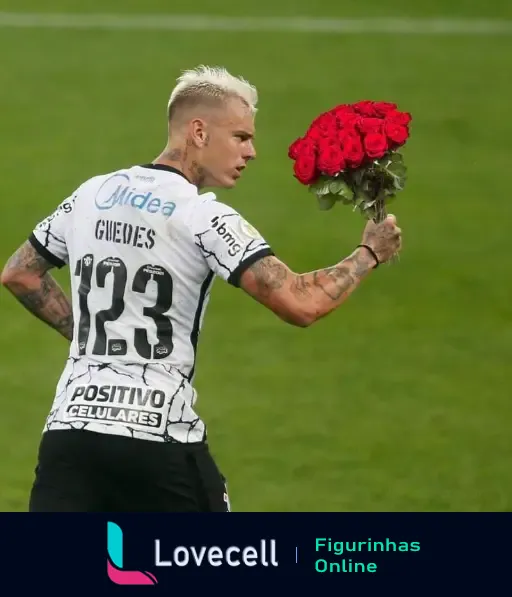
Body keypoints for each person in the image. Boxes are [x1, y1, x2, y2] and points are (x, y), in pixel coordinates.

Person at [0, 65, 402, 512]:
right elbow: (300, 302)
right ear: (198, 131)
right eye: (241, 136)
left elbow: (20, 273)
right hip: (158, 441)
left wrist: (90, 336)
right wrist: (368, 254)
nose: (252, 152)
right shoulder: (205, 216)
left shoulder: (90, 195)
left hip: (70, 435)